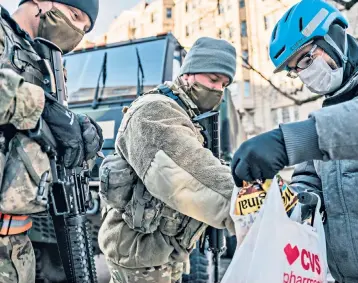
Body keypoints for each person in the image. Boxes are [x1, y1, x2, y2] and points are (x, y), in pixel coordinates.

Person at [231, 0, 358, 282]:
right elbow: (311, 181)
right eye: (295, 69)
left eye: (306, 60)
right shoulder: (328, 112)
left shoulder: (328, 124)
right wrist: (287, 202)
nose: (303, 75)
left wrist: (288, 141)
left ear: (335, 36)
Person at [98, 37, 237, 283]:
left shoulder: (187, 113)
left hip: (162, 251)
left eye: (224, 84)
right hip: (140, 255)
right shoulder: (155, 110)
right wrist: (244, 204)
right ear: (187, 74)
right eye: (213, 80)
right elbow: (190, 171)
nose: (218, 90)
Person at [0, 0, 102, 282]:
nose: (79, 31)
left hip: (17, 245)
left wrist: (80, 136)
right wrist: (42, 106)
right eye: (75, 16)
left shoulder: (44, 63)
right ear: (41, 3)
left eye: (86, 28)